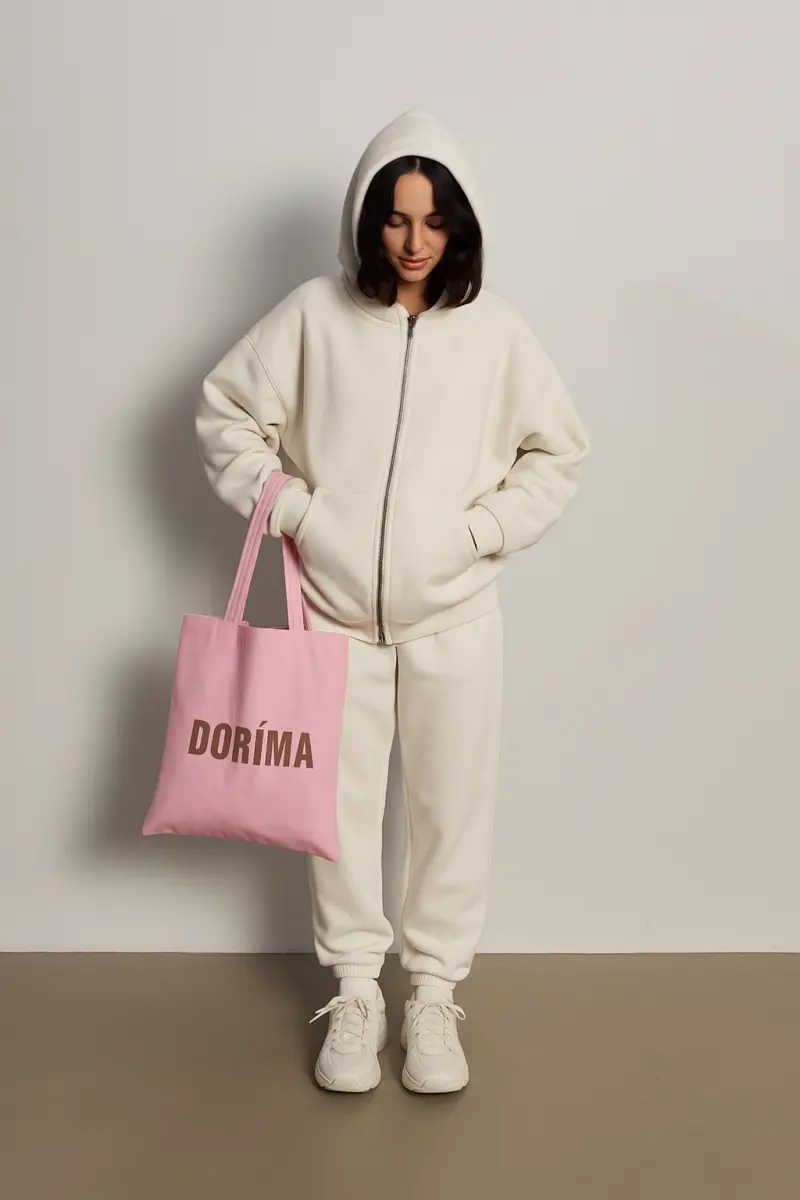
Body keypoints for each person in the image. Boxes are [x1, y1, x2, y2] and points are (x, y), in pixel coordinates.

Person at [196, 109, 590, 1094]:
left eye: (434, 221)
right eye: (396, 218)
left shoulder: (496, 334)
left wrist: (476, 534)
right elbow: (223, 412)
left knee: (451, 812)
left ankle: (434, 996)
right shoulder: (312, 317)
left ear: (460, 225)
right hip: (331, 614)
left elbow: (557, 453)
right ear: (368, 219)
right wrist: (296, 511)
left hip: (457, 616)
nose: (415, 242)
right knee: (335, 812)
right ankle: (355, 991)